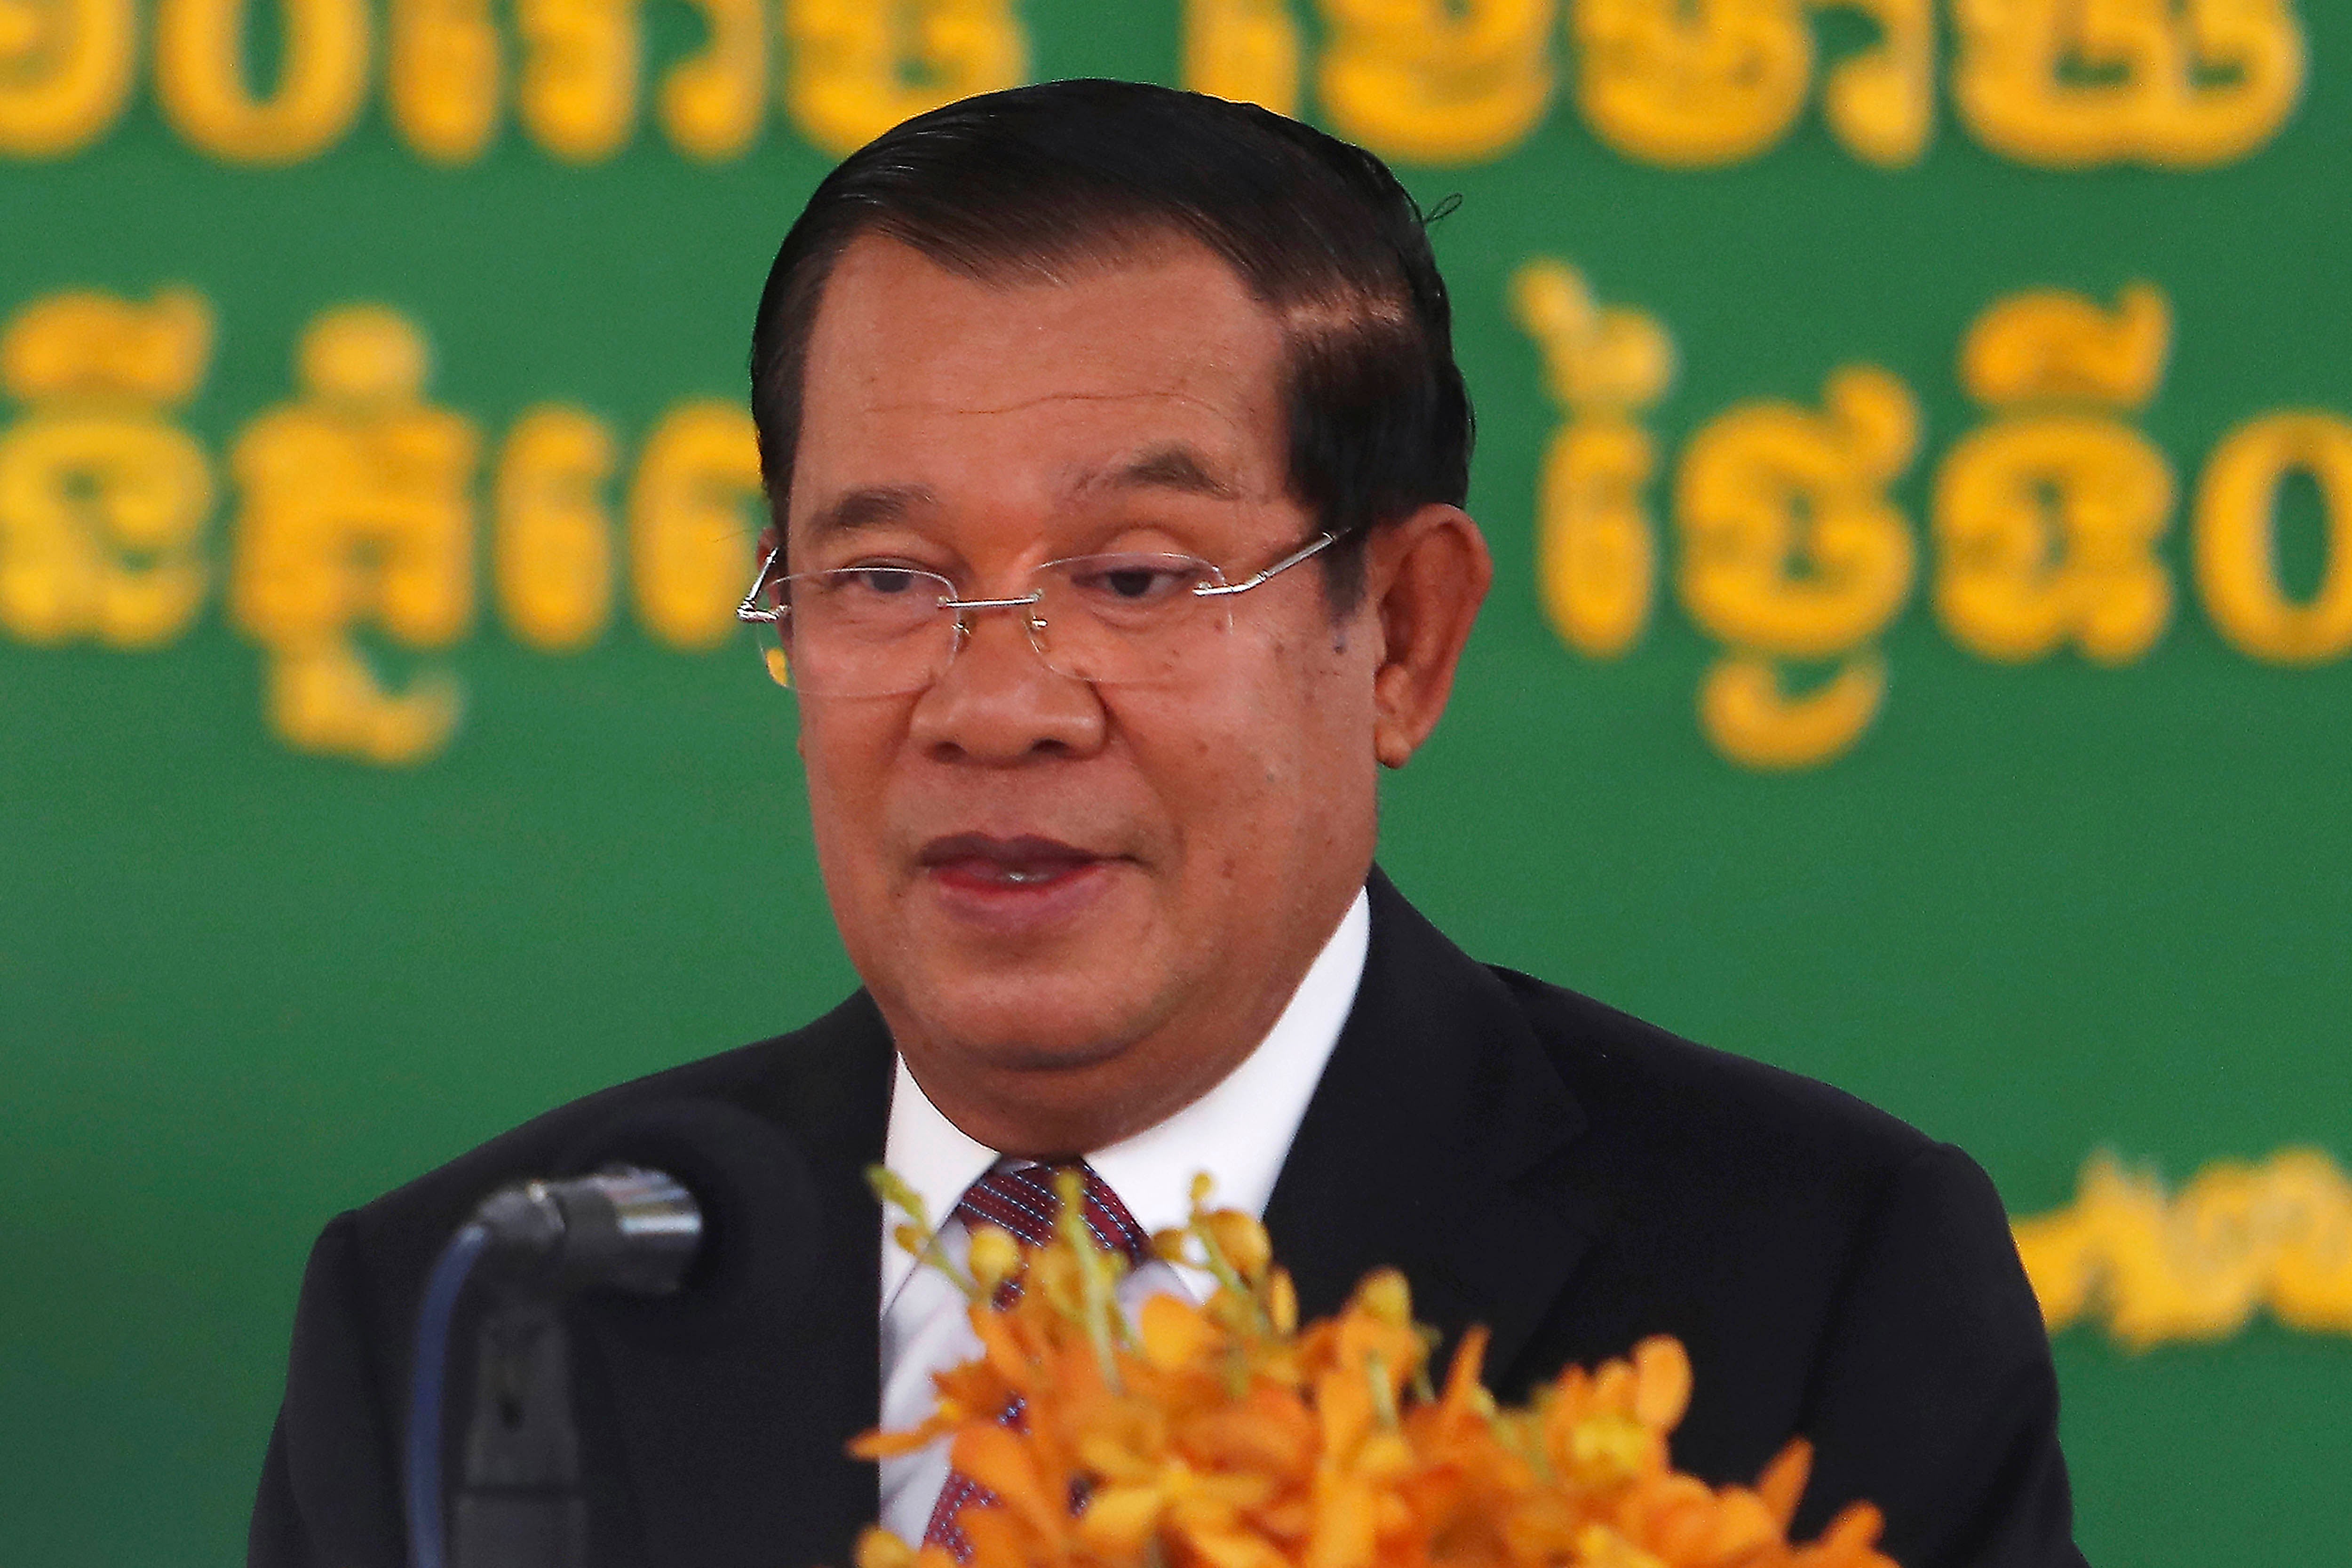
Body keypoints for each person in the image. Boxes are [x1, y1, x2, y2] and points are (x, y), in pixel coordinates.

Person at [250, 79, 2085, 1568]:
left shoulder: (1807, 1285)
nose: (995, 702)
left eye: (1134, 574)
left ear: (1403, 636)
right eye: (882, 575)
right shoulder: (484, 1312)